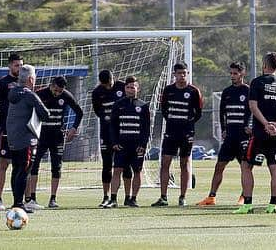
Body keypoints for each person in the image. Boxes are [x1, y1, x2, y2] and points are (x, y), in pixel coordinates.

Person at [234, 51, 276, 215]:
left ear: (264, 65)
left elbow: (253, 106)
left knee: (246, 165)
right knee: (275, 168)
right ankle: (273, 205)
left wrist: (266, 124)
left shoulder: (257, 82)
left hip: (260, 132)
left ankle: (247, 204)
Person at [27, 75, 84, 209]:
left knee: (56, 167)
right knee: (34, 165)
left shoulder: (66, 96)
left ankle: (53, 198)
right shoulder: (40, 94)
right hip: (41, 136)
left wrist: (73, 128)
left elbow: (79, 112)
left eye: (60, 91)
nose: (57, 93)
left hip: (57, 135)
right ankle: (32, 197)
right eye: (56, 90)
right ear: (51, 85)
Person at [198, 62, 250, 206]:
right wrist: (224, 129)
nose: (232, 76)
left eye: (235, 73)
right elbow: (222, 113)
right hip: (230, 136)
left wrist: (250, 127)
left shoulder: (249, 91)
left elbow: (254, 110)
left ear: (242, 74)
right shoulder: (227, 92)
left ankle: (244, 197)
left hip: (244, 136)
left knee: (245, 168)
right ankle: (211, 197)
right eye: (231, 73)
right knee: (219, 165)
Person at [153, 62, 203, 207]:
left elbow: (198, 113)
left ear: (187, 74)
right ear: (174, 74)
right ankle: (163, 197)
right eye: (179, 73)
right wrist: (173, 122)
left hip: (186, 133)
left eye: (184, 73)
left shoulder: (194, 91)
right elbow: (164, 110)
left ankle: (182, 197)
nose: (182, 76)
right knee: (165, 163)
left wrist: (187, 125)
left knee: (184, 163)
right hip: (171, 132)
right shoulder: (168, 90)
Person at [5, 63, 50, 213]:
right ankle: (19, 204)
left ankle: (16, 202)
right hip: (26, 138)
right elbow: (45, 114)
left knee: (16, 169)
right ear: (31, 79)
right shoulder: (29, 94)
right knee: (24, 170)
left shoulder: (13, 92)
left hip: (12, 137)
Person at [107, 76, 150, 208]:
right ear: (125, 88)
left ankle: (133, 198)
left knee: (137, 171)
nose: (130, 90)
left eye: (133, 87)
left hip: (136, 146)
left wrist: (143, 145)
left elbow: (146, 128)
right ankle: (113, 199)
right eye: (128, 87)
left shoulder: (143, 106)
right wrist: (114, 142)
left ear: (138, 89)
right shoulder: (118, 105)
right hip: (122, 145)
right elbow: (113, 125)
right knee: (117, 170)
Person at [92, 69, 130, 207]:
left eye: (109, 84)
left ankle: (128, 197)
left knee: (125, 164)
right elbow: (98, 111)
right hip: (106, 133)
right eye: (105, 85)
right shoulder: (97, 92)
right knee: (107, 165)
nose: (108, 87)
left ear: (113, 78)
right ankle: (106, 196)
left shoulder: (122, 86)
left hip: (123, 132)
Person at [0, 52, 23, 210]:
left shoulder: (24, 82)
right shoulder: (2, 83)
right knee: (4, 164)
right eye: (17, 65)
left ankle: (20, 200)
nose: (19, 68)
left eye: (21, 65)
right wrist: (2, 124)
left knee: (21, 166)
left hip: (22, 132)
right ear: (10, 65)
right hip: (7, 130)